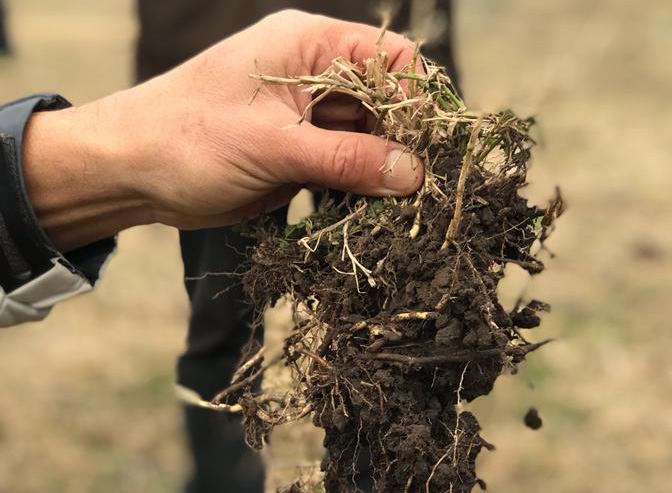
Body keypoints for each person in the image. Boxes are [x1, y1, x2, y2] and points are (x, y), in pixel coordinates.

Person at [0, 5, 456, 493]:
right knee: (225, 324)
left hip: (379, 88)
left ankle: (380, 473)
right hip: (225, 71)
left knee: (393, 334)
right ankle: (222, 476)